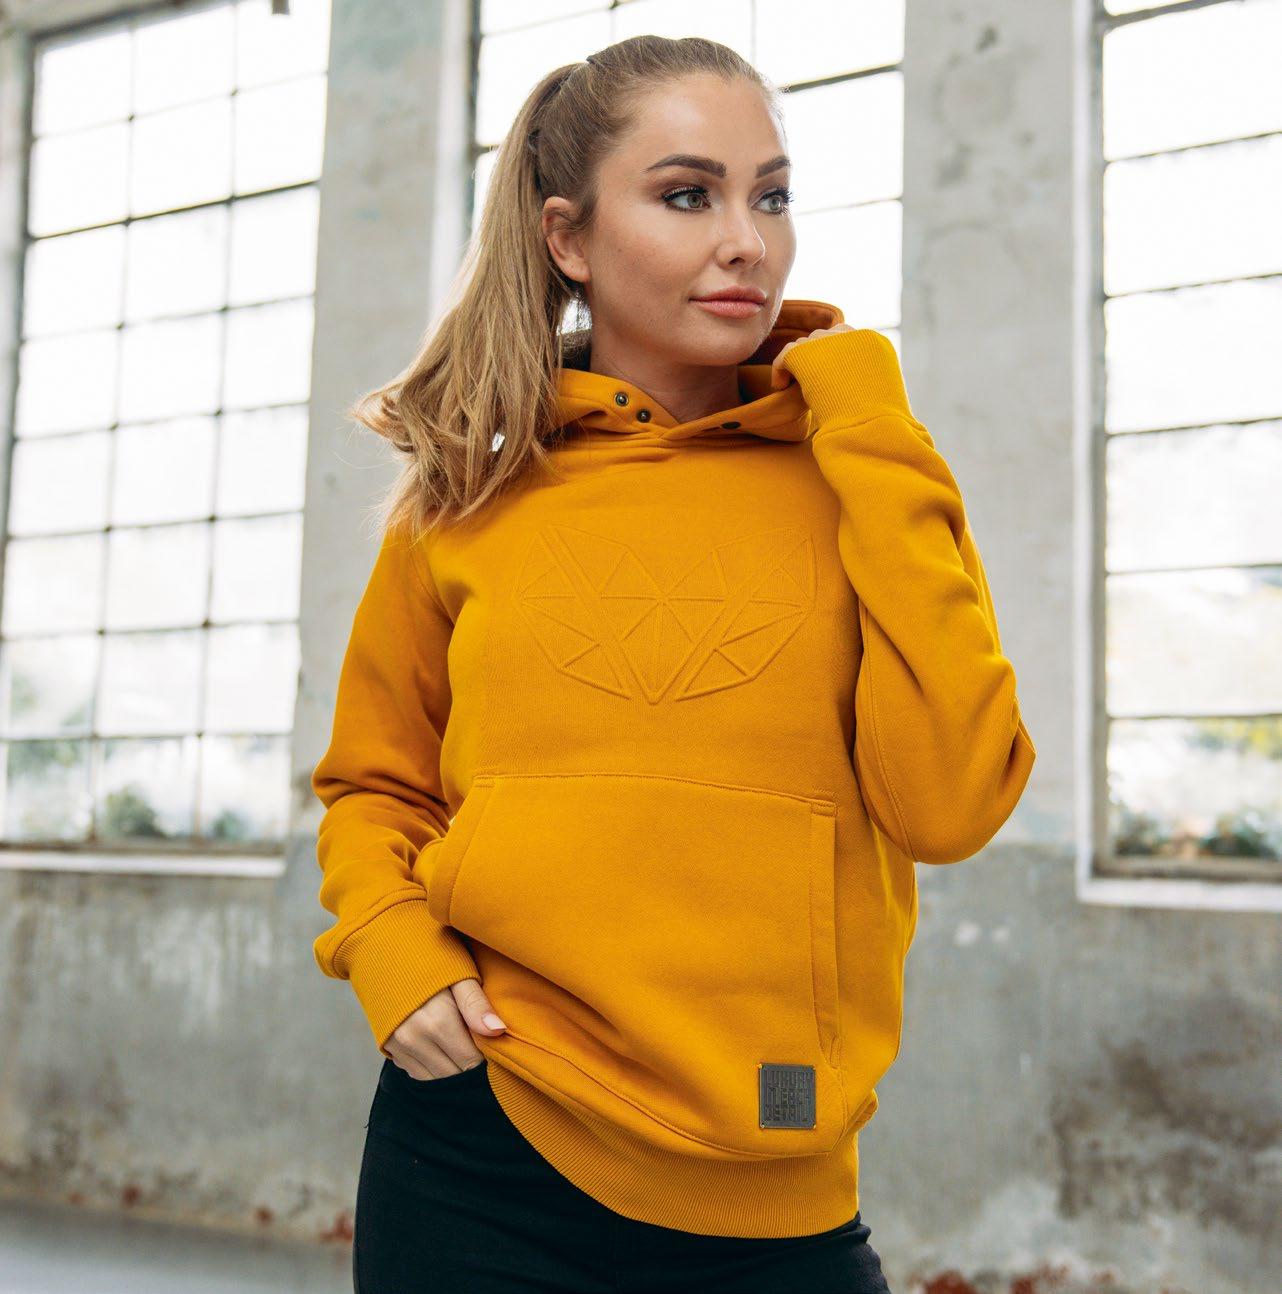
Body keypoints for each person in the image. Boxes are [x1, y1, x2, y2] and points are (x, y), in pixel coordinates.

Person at [310, 33, 1037, 1294]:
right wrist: (389, 948)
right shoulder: (462, 501)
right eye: (688, 195)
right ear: (569, 238)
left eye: (772, 195)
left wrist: (869, 421)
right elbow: (374, 783)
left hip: (770, 1164)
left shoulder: (860, 472)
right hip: (481, 1142)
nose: (746, 241)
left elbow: (950, 803)